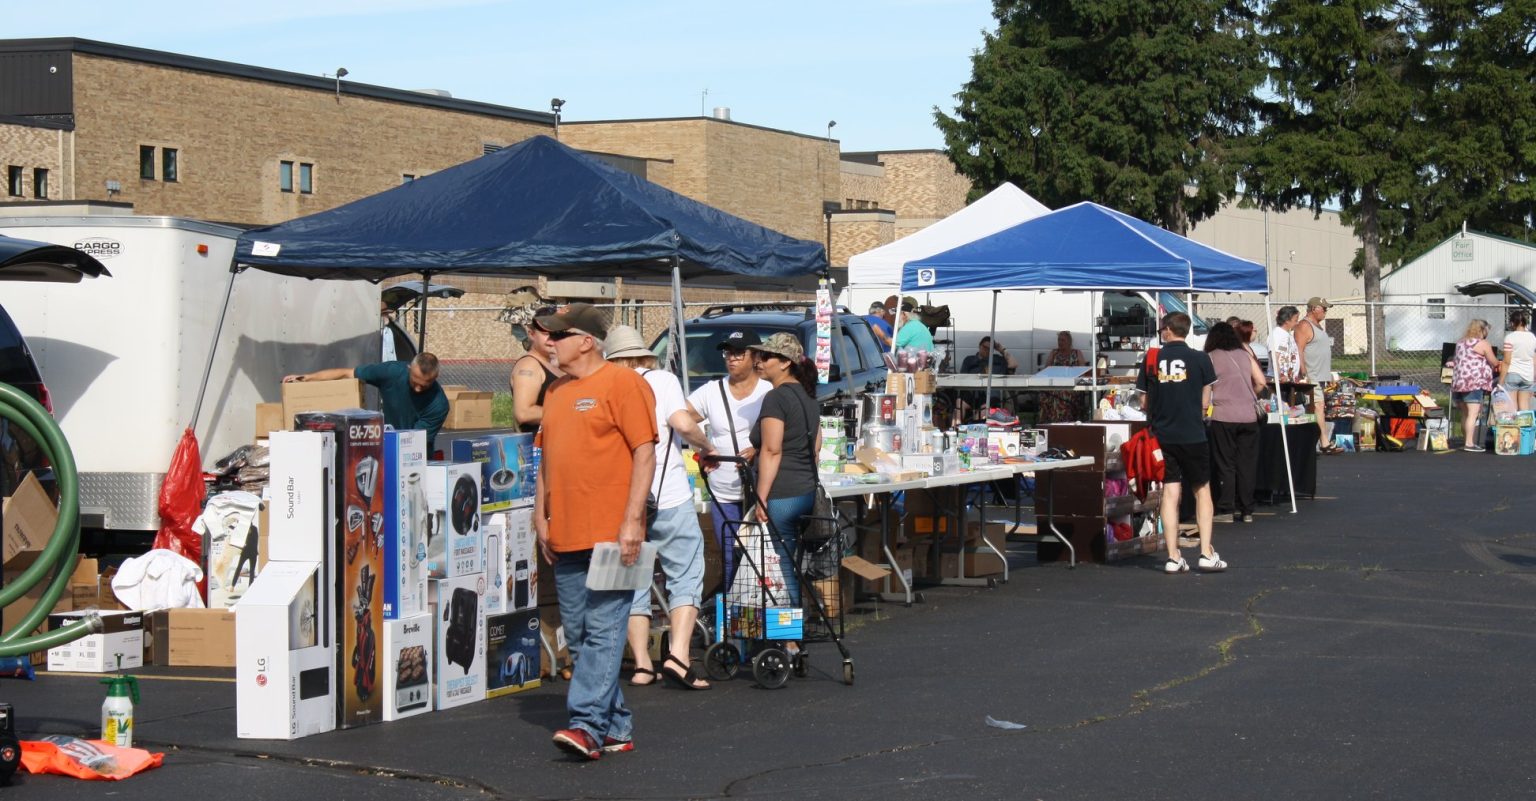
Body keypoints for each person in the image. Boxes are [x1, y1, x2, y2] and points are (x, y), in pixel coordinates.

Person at [532, 304, 657, 760]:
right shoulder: (556, 392)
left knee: (604, 633)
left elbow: (645, 453)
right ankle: (616, 727)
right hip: (566, 534)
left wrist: (632, 520)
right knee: (583, 637)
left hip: (611, 535)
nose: (550, 342)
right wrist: (539, 516)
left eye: (558, 335)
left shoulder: (624, 383)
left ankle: (586, 723)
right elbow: (546, 458)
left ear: (586, 340)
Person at [601, 326, 715, 691]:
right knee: (686, 570)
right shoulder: (662, 380)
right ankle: (679, 656)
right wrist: (706, 446)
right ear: (643, 355)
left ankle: (641, 665)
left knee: (630, 580)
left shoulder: (604, 385)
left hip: (620, 498)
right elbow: (682, 423)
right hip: (666, 495)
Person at [1138, 312, 1223, 574]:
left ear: (1166, 331)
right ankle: (1206, 551)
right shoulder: (1200, 358)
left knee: (1170, 492)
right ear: (1186, 331)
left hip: (1163, 436)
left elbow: (1143, 402)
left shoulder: (1152, 358)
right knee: (1202, 490)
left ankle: (1173, 556)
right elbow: (1207, 399)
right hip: (1193, 434)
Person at [687, 330, 771, 590]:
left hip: (759, 490)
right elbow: (681, 417)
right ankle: (730, 617)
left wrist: (757, 449)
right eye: (727, 353)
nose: (731, 358)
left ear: (754, 355)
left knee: (760, 557)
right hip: (722, 488)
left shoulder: (768, 391)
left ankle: (760, 614)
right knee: (728, 554)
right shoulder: (712, 391)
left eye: (738, 352)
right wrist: (703, 447)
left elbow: (780, 434)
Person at [747, 333, 821, 609]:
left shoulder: (775, 398)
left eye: (767, 357)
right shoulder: (808, 395)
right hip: (806, 489)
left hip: (782, 492)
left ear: (785, 363)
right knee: (788, 560)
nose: (760, 361)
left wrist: (762, 496)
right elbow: (816, 446)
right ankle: (791, 629)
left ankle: (789, 636)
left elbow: (772, 450)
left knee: (780, 565)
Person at [283, 352, 449, 447]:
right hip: (386, 443)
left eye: (425, 385)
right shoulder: (392, 372)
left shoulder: (438, 404)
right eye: (415, 382)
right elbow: (347, 373)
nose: (418, 388)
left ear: (436, 378)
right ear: (409, 369)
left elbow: (414, 440)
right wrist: (306, 378)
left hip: (415, 455)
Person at [1205, 322, 1268, 524]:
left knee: (1226, 464)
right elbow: (1261, 382)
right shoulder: (1245, 354)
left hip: (1223, 415)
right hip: (1249, 415)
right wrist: (1247, 396)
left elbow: (1205, 386)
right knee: (1247, 463)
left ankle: (1226, 508)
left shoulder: (1211, 357)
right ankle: (1247, 509)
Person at [511, 306, 565, 434]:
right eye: (546, 334)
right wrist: (570, 412)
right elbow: (524, 413)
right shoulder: (529, 366)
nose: (552, 340)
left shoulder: (555, 363)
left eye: (556, 333)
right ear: (532, 334)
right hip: (536, 449)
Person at [1449, 318, 1499, 452]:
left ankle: (1466, 440)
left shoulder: (1460, 343)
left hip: (1459, 382)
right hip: (1474, 382)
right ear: (1482, 330)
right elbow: (1494, 362)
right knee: (1473, 414)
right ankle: (1469, 443)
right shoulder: (1483, 343)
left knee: (1465, 414)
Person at [1293, 297, 1336, 452]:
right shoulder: (1304, 325)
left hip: (1321, 374)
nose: (1326, 311)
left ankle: (1312, 442)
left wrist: (1329, 374)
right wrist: (1303, 371)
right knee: (1318, 406)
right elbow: (1299, 349)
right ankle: (1324, 442)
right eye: (1323, 308)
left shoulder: (1318, 327)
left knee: (1315, 408)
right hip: (1312, 375)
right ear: (1313, 308)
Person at [1037, 330, 1086, 424]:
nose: (1060, 342)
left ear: (1069, 342)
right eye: (1059, 340)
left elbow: (1083, 371)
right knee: (1044, 393)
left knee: (1061, 393)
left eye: (1063, 340)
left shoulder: (1077, 353)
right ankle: (1046, 422)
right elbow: (1046, 369)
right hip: (1055, 383)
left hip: (1072, 385)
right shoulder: (1054, 353)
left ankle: (1061, 421)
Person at [1500, 310, 1535, 412]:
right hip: (1528, 375)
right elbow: (1534, 359)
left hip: (1513, 373)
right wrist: (1534, 378)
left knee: (1512, 407)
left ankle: (1514, 427)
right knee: (1524, 406)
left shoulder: (1510, 337)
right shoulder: (1532, 337)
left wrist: (1500, 382)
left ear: (1512, 323)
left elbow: (1506, 361)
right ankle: (1525, 427)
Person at [1267, 306, 1302, 383]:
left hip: (1288, 380)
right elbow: (1274, 356)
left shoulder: (1287, 335)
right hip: (1279, 381)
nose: (1297, 323)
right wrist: (1280, 375)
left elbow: (1284, 351)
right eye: (1295, 320)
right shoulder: (1277, 334)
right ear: (1287, 320)